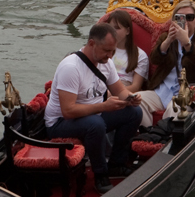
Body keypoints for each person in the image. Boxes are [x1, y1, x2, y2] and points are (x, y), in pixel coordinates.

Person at [44, 22, 143, 184]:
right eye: (106, 50)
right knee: (95, 124)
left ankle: (117, 164)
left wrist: (131, 98)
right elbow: (68, 111)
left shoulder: (106, 63)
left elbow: (120, 91)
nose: (110, 56)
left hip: (93, 114)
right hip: (59, 123)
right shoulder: (71, 67)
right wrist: (103, 106)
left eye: (112, 51)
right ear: (91, 44)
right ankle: (100, 175)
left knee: (134, 113)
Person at [136, 4, 195, 122]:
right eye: (180, 17)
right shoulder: (165, 38)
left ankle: (167, 133)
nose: (185, 21)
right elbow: (154, 60)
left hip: (187, 93)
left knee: (175, 108)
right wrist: (167, 42)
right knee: (137, 100)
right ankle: (147, 131)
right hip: (162, 90)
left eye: (189, 17)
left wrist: (187, 43)